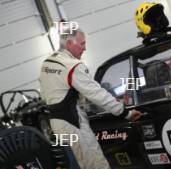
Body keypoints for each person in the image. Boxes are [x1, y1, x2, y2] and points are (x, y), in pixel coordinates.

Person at [39, 27, 142, 169]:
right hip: (73, 123)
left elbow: (44, 94)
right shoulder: (72, 66)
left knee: (80, 164)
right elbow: (97, 94)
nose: (85, 48)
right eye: (82, 44)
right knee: (96, 163)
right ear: (69, 43)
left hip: (57, 124)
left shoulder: (47, 63)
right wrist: (125, 112)